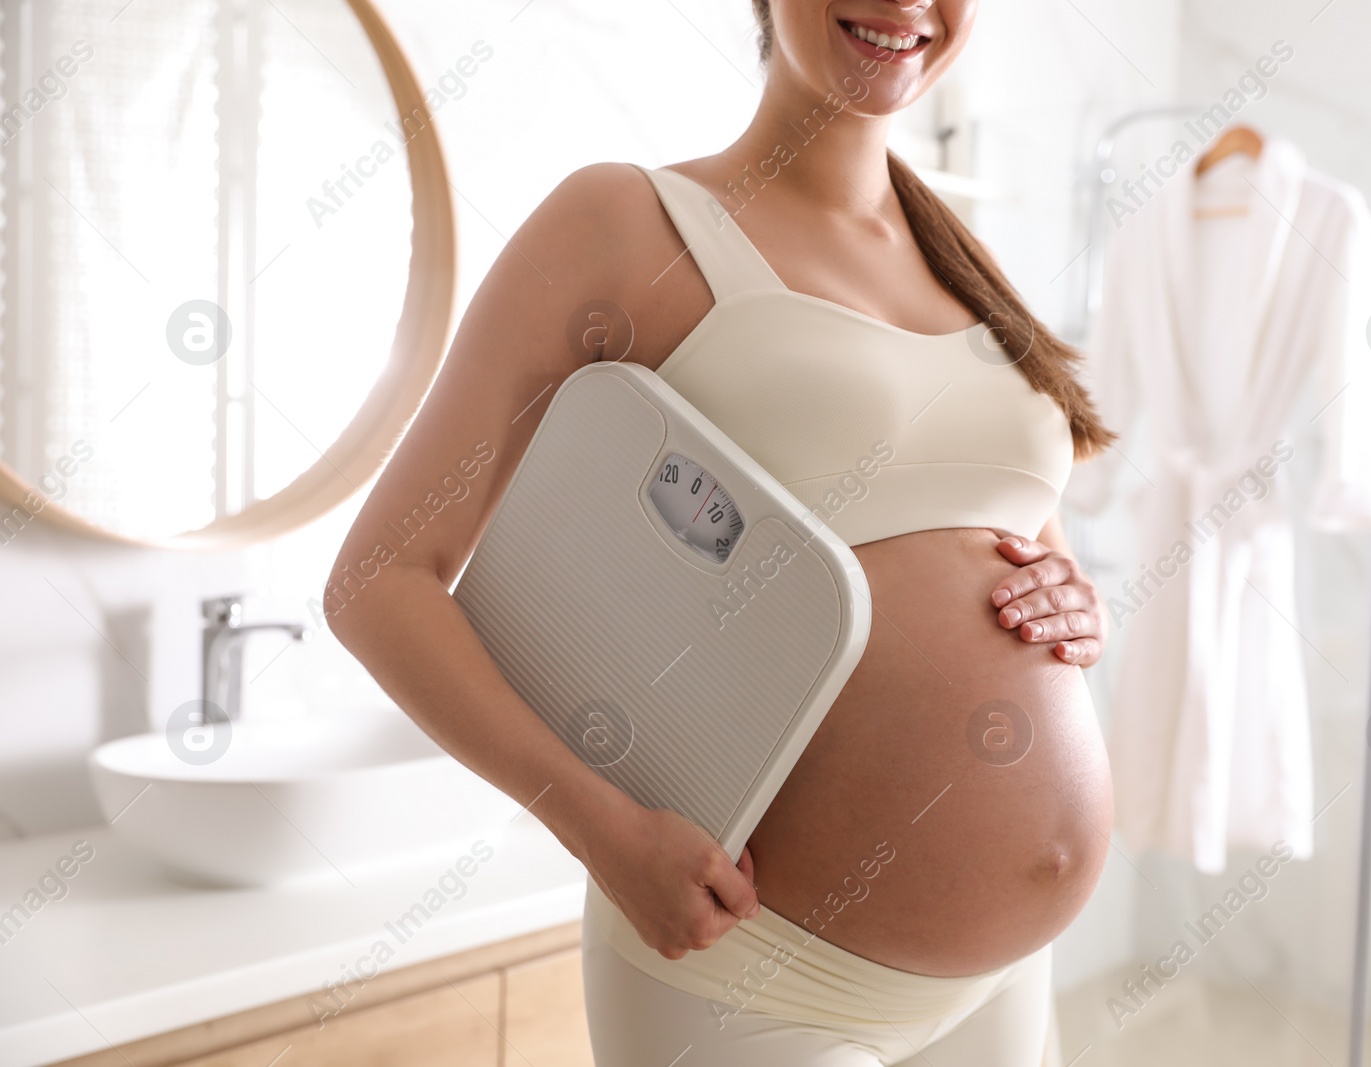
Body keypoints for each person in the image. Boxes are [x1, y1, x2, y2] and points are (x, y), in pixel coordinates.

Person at [327, 2, 1114, 1062]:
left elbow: (1014, 538)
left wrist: (1072, 595)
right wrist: (602, 829)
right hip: (751, 977)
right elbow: (380, 580)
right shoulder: (626, 223)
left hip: (1001, 984)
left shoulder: (961, 261)